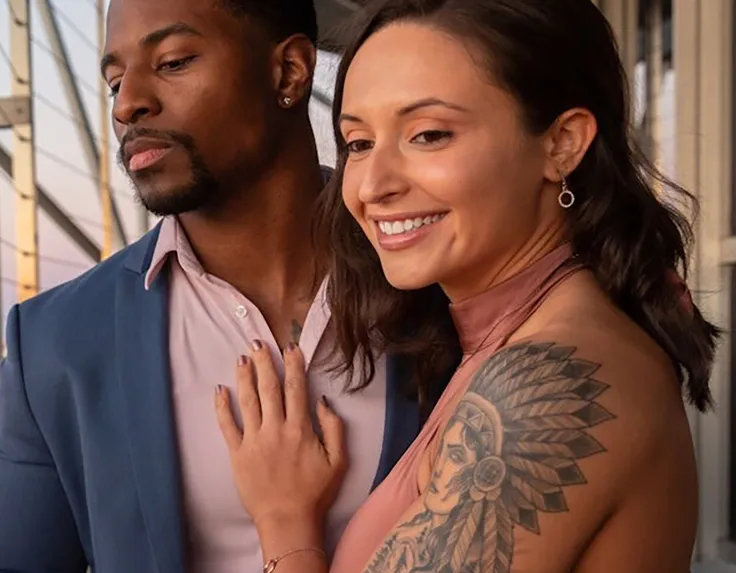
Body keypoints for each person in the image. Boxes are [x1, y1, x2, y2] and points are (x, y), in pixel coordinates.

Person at [214, 1, 721, 572]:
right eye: (358, 143)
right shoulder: (514, 342)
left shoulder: (548, 380)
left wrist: (284, 520)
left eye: (429, 134)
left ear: (562, 144)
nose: (372, 185)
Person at [0, 1, 455, 572]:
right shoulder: (56, 341)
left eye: (172, 62)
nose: (127, 104)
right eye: (115, 80)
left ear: (290, 71)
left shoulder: (443, 282)